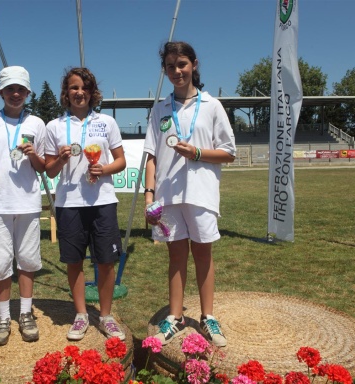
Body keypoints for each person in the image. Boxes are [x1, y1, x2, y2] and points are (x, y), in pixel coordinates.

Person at [143, 41, 236, 348]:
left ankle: (208, 316)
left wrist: (196, 152)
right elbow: (152, 156)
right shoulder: (160, 109)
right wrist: (149, 195)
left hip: (201, 194)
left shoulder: (212, 106)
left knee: (203, 255)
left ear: (194, 64)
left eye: (182, 64)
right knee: (175, 256)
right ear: (165, 71)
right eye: (170, 66)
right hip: (168, 197)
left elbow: (228, 153)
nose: (177, 71)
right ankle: (175, 317)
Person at [45, 67, 127, 342]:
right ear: (66, 93)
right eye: (73, 88)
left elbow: (121, 161)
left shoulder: (106, 122)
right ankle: (81, 315)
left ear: (92, 93)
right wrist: (60, 159)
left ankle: (105, 316)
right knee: (74, 261)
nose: (79, 92)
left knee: (105, 261)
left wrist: (103, 170)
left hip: (102, 201)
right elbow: (50, 171)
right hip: (69, 203)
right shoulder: (54, 126)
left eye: (84, 88)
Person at [0, 66, 46, 346]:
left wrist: (34, 154)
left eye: (21, 89)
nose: (16, 94)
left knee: (27, 260)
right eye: (10, 89)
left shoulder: (37, 123)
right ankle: (3, 317)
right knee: (0, 263)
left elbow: (43, 167)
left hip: (27, 201)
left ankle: (26, 313)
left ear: (28, 92)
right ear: (0, 92)